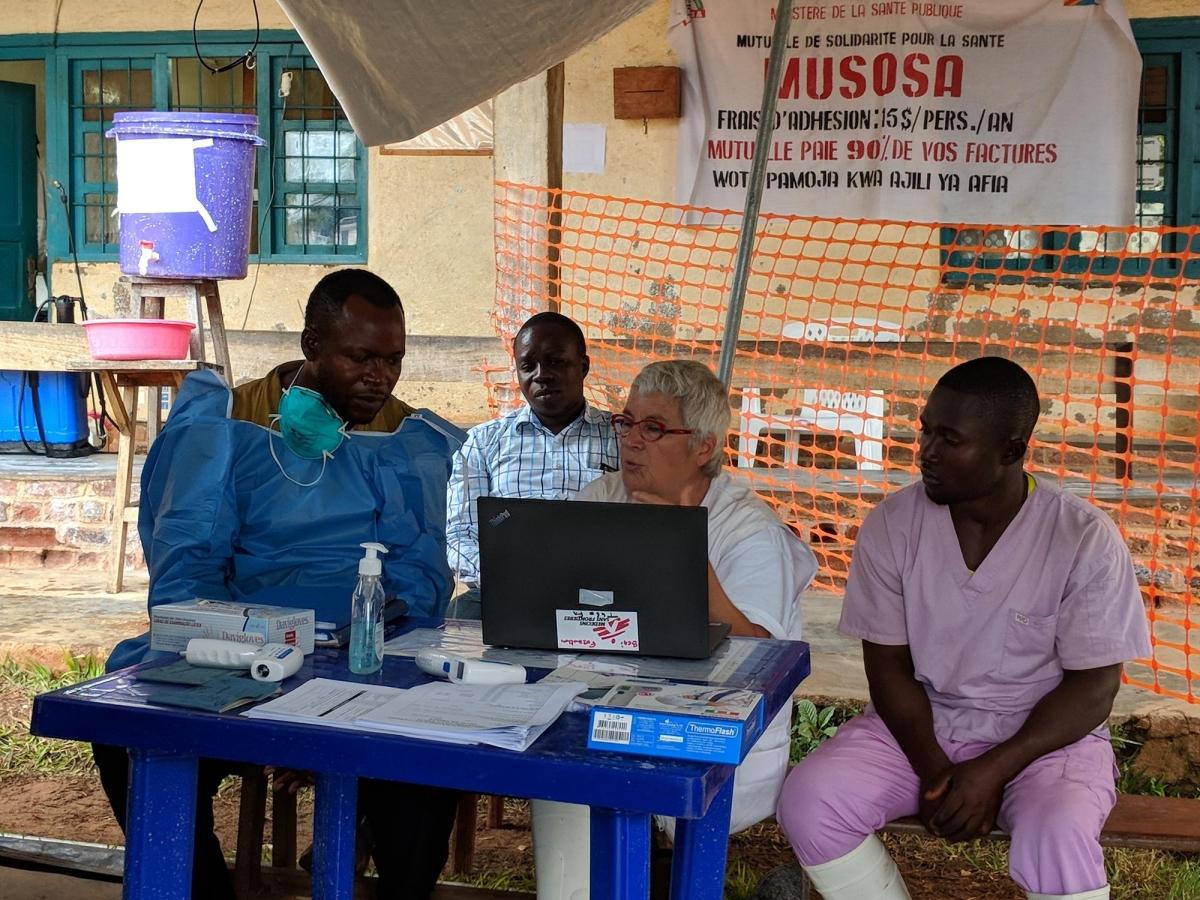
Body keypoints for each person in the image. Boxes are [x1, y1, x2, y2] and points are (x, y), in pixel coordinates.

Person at [93, 269, 462, 900]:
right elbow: (191, 565)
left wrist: (333, 694)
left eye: (394, 360)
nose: (381, 377)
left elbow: (417, 581)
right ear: (312, 344)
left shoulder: (406, 437)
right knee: (129, 733)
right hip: (244, 654)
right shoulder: (230, 421)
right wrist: (274, 686)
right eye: (361, 357)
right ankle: (197, 889)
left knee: (429, 757)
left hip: (365, 657)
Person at [776, 357, 1152, 900]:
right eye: (926, 430)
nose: (926, 451)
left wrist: (992, 770)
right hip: (921, 728)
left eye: (950, 439)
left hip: (1044, 741)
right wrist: (937, 773)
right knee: (811, 799)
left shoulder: (1083, 538)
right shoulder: (891, 526)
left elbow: (1094, 688)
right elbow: (887, 669)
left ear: (1011, 451)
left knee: (1059, 831)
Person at [532, 358, 817, 899]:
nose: (631, 441)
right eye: (626, 422)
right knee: (563, 764)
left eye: (654, 428)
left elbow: (763, 657)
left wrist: (679, 543)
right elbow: (551, 608)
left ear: (703, 447)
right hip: (603, 707)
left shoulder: (746, 528)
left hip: (715, 727)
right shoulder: (601, 499)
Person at [445, 311, 618, 592]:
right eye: (528, 366)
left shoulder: (623, 437)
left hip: (602, 593)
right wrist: (503, 577)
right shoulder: (482, 442)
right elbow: (460, 534)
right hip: (507, 588)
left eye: (555, 362)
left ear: (583, 366)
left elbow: (647, 527)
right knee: (460, 615)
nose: (542, 375)